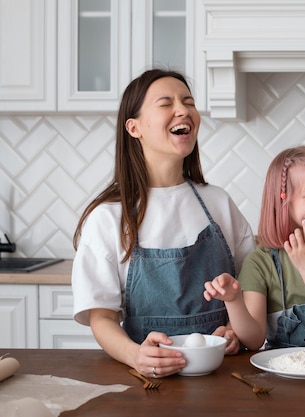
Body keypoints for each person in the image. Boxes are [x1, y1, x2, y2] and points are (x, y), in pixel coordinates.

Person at [71, 69, 256, 377]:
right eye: (166, 103)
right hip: (148, 378)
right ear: (134, 128)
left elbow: (249, 291)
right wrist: (135, 355)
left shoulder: (219, 202)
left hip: (223, 376)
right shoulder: (108, 217)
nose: (183, 110)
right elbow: (101, 318)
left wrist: (235, 330)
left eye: (188, 102)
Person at [204, 146, 305, 350]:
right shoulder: (261, 263)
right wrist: (233, 300)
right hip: (280, 375)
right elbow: (254, 341)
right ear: (282, 202)